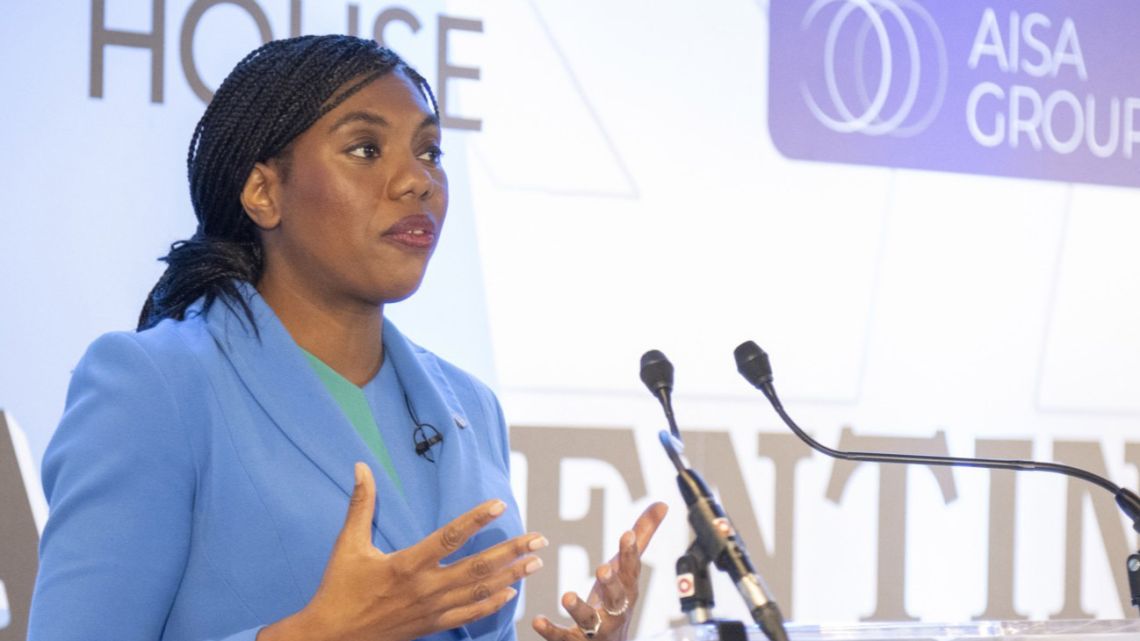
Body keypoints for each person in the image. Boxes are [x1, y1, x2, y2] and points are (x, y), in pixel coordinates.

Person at [28, 35, 667, 641]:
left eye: (430, 151)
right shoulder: (153, 385)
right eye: (365, 149)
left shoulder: (471, 406)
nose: (418, 179)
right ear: (263, 191)